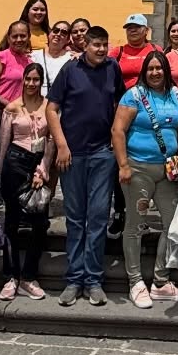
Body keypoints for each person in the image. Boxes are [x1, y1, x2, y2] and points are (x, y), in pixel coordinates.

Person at [50, 25, 121, 307]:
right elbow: (51, 109)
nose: (101, 50)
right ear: (85, 46)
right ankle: (73, 279)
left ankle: (93, 280)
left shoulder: (112, 68)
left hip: (103, 154)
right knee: (76, 218)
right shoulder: (69, 70)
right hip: (72, 155)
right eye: (96, 45)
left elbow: (118, 104)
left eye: (105, 45)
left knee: (99, 217)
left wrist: (117, 143)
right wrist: (62, 145)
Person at [114, 50, 178, 306]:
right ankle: (135, 281)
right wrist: (123, 165)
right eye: (151, 68)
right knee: (135, 226)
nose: (155, 73)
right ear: (145, 71)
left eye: (160, 68)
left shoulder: (175, 95)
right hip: (138, 168)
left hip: (168, 170)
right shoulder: (133, 95)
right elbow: (118, 131)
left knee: (173, 224)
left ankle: (161, 279)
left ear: (166, 71)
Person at [0, 60, 57, 301]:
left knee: (39, 221)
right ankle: (11, 276)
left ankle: (29, 276)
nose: (31, 83)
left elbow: (51, 139)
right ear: (23, 80)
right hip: (15, 161)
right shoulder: (12, 108)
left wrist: (43, 169)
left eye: (36, 80)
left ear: (42, 83)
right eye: (28, 79)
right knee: (11, 220)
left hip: (37, 162)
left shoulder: (48, 107)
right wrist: (1, 172)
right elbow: (3, 142)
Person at [0, 20, 36, 106]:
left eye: (23, 36)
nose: (19, 39)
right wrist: (8, 105)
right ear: (8, 39)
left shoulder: (30, 64)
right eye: (15, 36)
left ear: (28, 37)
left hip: (19, 115)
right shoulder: (0, 58)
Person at [115, 13, 156, 89]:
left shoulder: (155, 50)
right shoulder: (117, 52)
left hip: (151, 98)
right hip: (124, 98)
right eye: (129, 28)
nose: (133, 30)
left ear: (146, 30)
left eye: (137, 27)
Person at [42, 19, 75, 97]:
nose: (58, 34)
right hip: (36, 106)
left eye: (64, 33)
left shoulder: (71, 59)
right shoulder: (34, 56)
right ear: (49, 34)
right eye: (56, 30)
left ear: (67, 40)